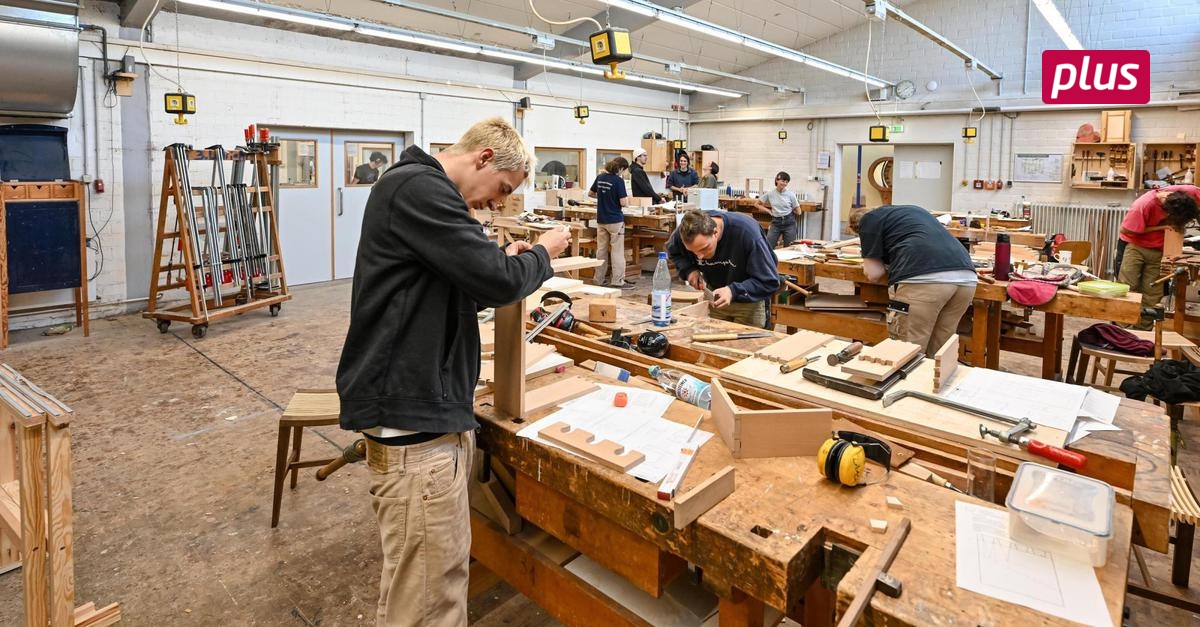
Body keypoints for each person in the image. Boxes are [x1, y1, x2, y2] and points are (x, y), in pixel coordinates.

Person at [336, 117, 571, 626]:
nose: (496, 202)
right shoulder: (420, 188)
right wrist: (540, 255)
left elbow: (464, 272)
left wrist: (499, 258)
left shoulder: (419, 190)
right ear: (484, 157)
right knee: (429, 602)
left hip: (421, 415)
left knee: (418, 588)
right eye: (502, 190)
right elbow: (494, 282)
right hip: (413, 425)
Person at [848, 205, 977, 355]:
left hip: (925, 280)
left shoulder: (869, 221)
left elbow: (874, 274)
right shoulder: (913, 212)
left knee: (906, 354)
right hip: (966, 278)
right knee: (939, 356)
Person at [666, 209, 781, 328]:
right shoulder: (685, 233)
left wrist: (733, 291)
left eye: (704, 248)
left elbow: (769, 281)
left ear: (715, 232)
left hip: (749, 301)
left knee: (747, 345)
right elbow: (674, 251)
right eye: (693, 252)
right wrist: (689, 270)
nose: (699, 256)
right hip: (715, 298)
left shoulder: (747, 234)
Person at [1117, 185, 1200, 329]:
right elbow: (1126, 230)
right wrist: (1161, 227)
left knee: (1152, 292)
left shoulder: (1190, 194)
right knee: (1128, 288)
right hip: (1136, 247)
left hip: (1158, 250)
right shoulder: (1143, 205)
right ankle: (1122, 330)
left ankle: (1143, 331)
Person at [589, 156, 635, 288]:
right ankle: (617, 281)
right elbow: (623, 202)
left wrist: (604, 196)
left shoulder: (600, 177)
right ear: (620, 168)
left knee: (601, 250)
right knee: (617, 252)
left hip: (601, 219)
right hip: (615, 220)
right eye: (624, 170)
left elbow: (591, 194)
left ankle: (598, 279)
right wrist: (626, 200)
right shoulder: (618, 181)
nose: (623, 173)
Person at [755, 171, 801, 248]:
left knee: (789, 248)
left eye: (786, 182)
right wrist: (769, 211)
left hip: (789, 223)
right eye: (783, 181)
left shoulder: (791, 195)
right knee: (768, 247)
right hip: (776, 223)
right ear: (777, 180)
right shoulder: (770, 194)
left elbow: (799, 212)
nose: (784, 184)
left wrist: (789, 210)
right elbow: (756, 204)